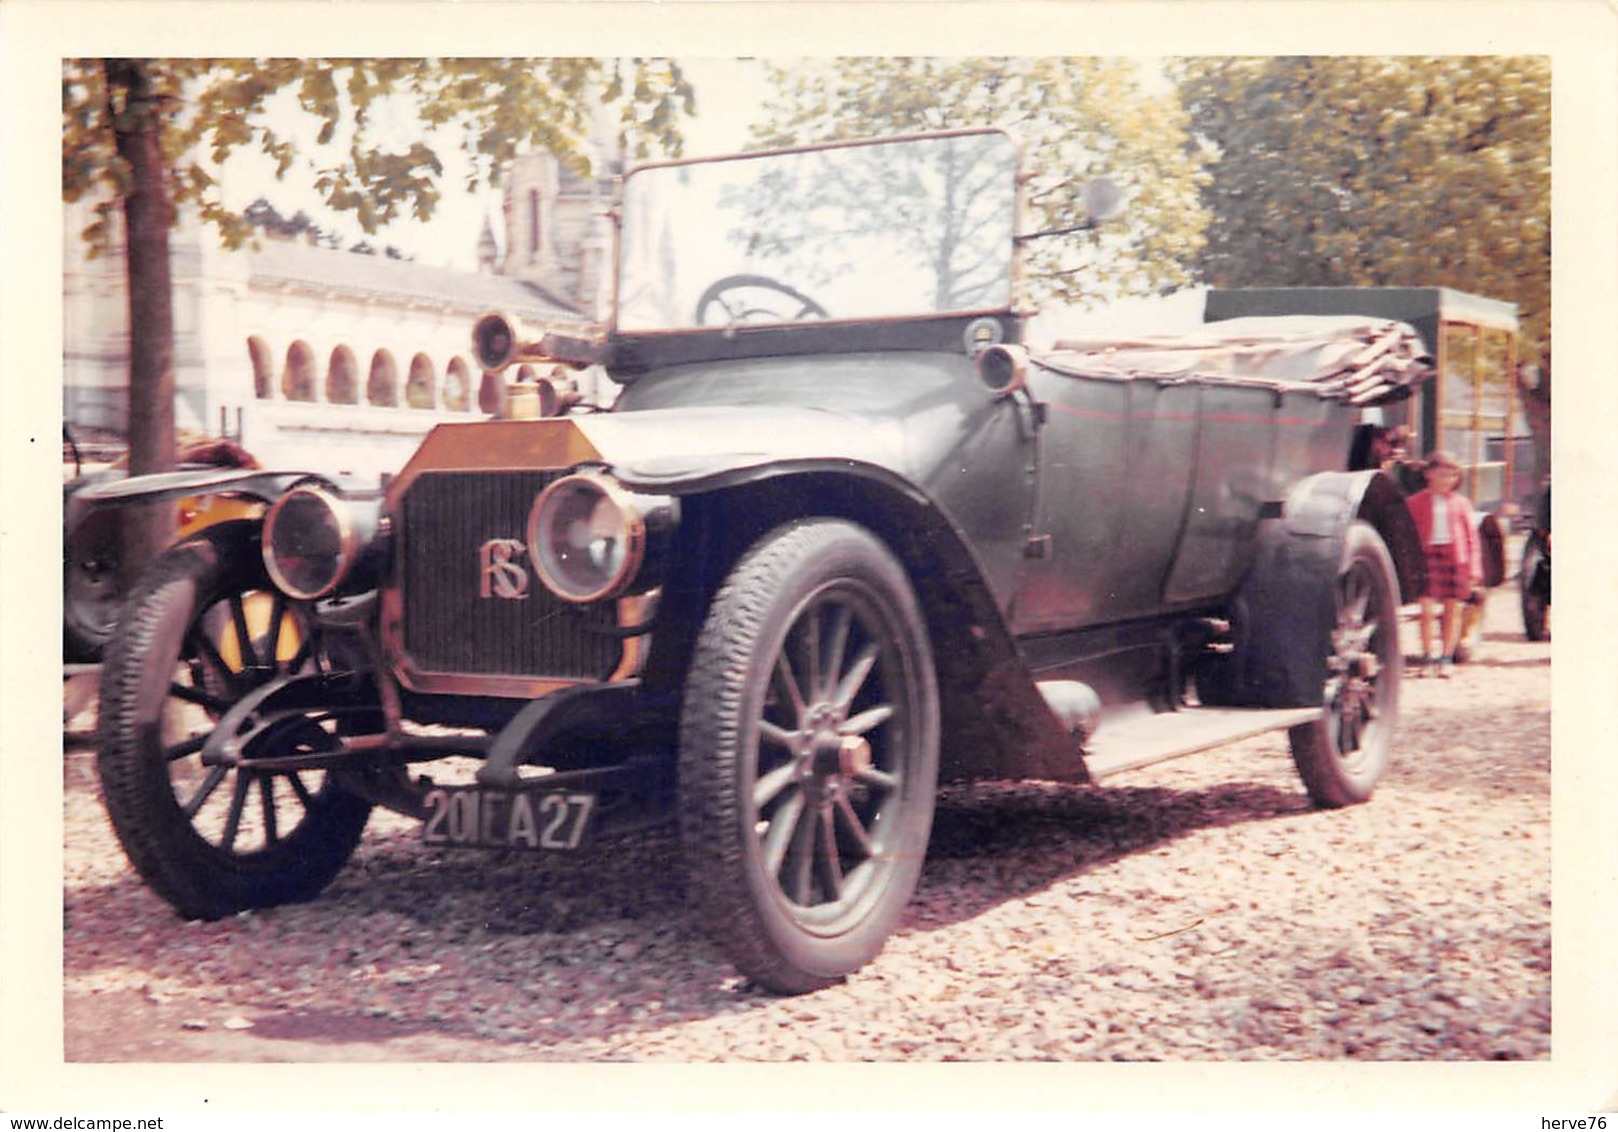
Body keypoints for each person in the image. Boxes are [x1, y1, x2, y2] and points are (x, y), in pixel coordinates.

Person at [1406, 450, 1482, 678]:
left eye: (1452, 475)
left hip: (1454, 558)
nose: (1447, 480)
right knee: (1427, 611)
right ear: (1428, 474)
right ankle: (1428, 657)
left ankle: (1445, 658)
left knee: (1452, 610)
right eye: (1442, 474)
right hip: (1425, 559)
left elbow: (1472, 538)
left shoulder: (1461, 503)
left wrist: (1474, 568)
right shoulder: (1414, 502)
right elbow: (1406, 537)